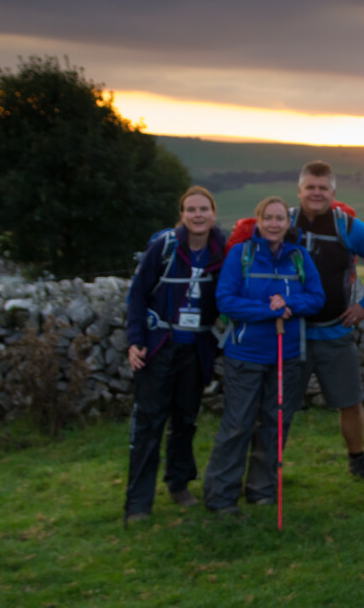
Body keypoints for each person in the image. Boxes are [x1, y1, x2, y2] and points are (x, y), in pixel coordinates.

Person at [247, 160, 364, 485]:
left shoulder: (347, 227)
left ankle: (357, 459)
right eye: (310, 187)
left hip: (335, 331)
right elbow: (252, 263)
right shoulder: (280, 221)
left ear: (333, 191)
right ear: (299, 190)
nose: (316, 193)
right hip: (289, 332)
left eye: (323, 188)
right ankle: (268, 470)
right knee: (279, 405)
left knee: (350, 400)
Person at [203, 196, 325, 514]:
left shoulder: (299, 258)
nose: (273, 224)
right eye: (268, 218)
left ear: (288, 224)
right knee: (238, 424)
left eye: (280, 219)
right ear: (258, 222)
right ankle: (221, 495)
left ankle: (261, 489)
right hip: (245, 353)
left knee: (275, 423)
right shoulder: (240, 256)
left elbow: (316, 298)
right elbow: (226, 301)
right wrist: (266, 311)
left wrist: (288, 305)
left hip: (288, 355)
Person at [124, 186, 226, 523]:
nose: (198, 215)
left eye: (204, 209)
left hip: (196, 348)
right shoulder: (164, 247)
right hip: (159, 346)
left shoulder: (222, 250)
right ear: (182, 215)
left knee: (186, 420)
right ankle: (139, 503)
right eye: (191, 209)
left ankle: (179, 484)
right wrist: (135, 339)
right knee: (149, 424)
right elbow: (138, 295)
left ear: (213, 214)